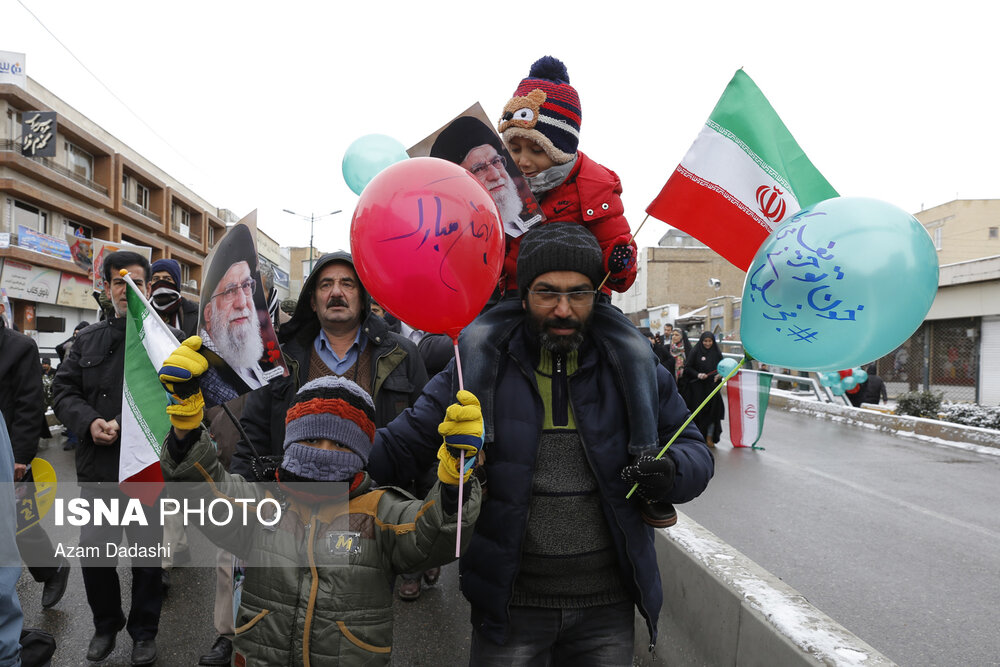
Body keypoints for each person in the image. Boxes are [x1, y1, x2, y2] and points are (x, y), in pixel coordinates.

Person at [369, 223, 714, 664]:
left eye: (580, 293)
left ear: (598, 293)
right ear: (524, 293)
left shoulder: (634, 366)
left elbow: (694, 452)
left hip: (607, 606)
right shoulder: (477, 366)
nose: (564, 309)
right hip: (509, 605)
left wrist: (670, 473)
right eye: (547, 292)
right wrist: (318, 459)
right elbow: (399, 446)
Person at [156, 340, 482, 666]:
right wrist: (185, 431)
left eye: (339, 442)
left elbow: (433, 534)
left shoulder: (379, 512)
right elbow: (206, 493)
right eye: (311, 439)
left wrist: (456, 481)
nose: (324, 451)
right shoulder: (265, 507)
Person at [51, 250, 174, 666]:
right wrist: (88, 423)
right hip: (98, 468)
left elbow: (168, 395)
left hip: (143, 467)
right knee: (96, 555)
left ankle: (144, 633)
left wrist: (122, 422)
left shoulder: (160, 343)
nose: (128, 290)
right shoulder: (86, 341)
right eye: (120, 282)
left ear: (149, 287)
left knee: (145, 560)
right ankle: (106, 625)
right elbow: (62, 392)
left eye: (137, 281)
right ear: (107, 287)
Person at [0, 318, 70, 611]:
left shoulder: (20, 347)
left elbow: (30, 405)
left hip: (7, 452)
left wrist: (19, 457)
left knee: (20, 524)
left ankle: (52, 568)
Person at [430, 115, 535, 237]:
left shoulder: (525, 216)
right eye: (479, 169)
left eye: (496, 161)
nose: (495, 175)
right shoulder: (474, 245)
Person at [683, 332, 725, 448]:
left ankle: (709, 437)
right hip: (698, 390)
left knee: (713, 414)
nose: (707, 343)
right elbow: (688, 368)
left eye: (710, 341)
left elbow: (722, 368)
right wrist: (698, 374)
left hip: (712, 388)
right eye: (705, 341)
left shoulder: (716, 353)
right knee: (698, 414)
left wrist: (720, 375)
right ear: (701, 341)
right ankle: (698, 437)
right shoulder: (695, 351)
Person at [150, 258, 199, 337]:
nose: (161, 283)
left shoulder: (196, 312)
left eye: (167, 279)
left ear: (176, 282)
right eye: (156, 279)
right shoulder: (142, 311)